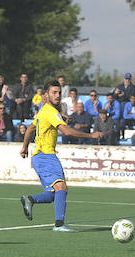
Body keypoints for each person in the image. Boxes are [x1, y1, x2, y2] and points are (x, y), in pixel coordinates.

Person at [19, 80, 102, 232]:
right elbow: (67, 132)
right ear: (46, 95)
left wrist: (25, 147)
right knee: (61, 188)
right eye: (53, 93)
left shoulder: (43, 111)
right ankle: (59, 225)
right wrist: (91, 135)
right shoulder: (50, 111)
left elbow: (31, 128)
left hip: (39, 157)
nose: (57, 95)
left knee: (54, 193)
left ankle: (30, 200)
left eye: (59, 92)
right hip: (46, 156)